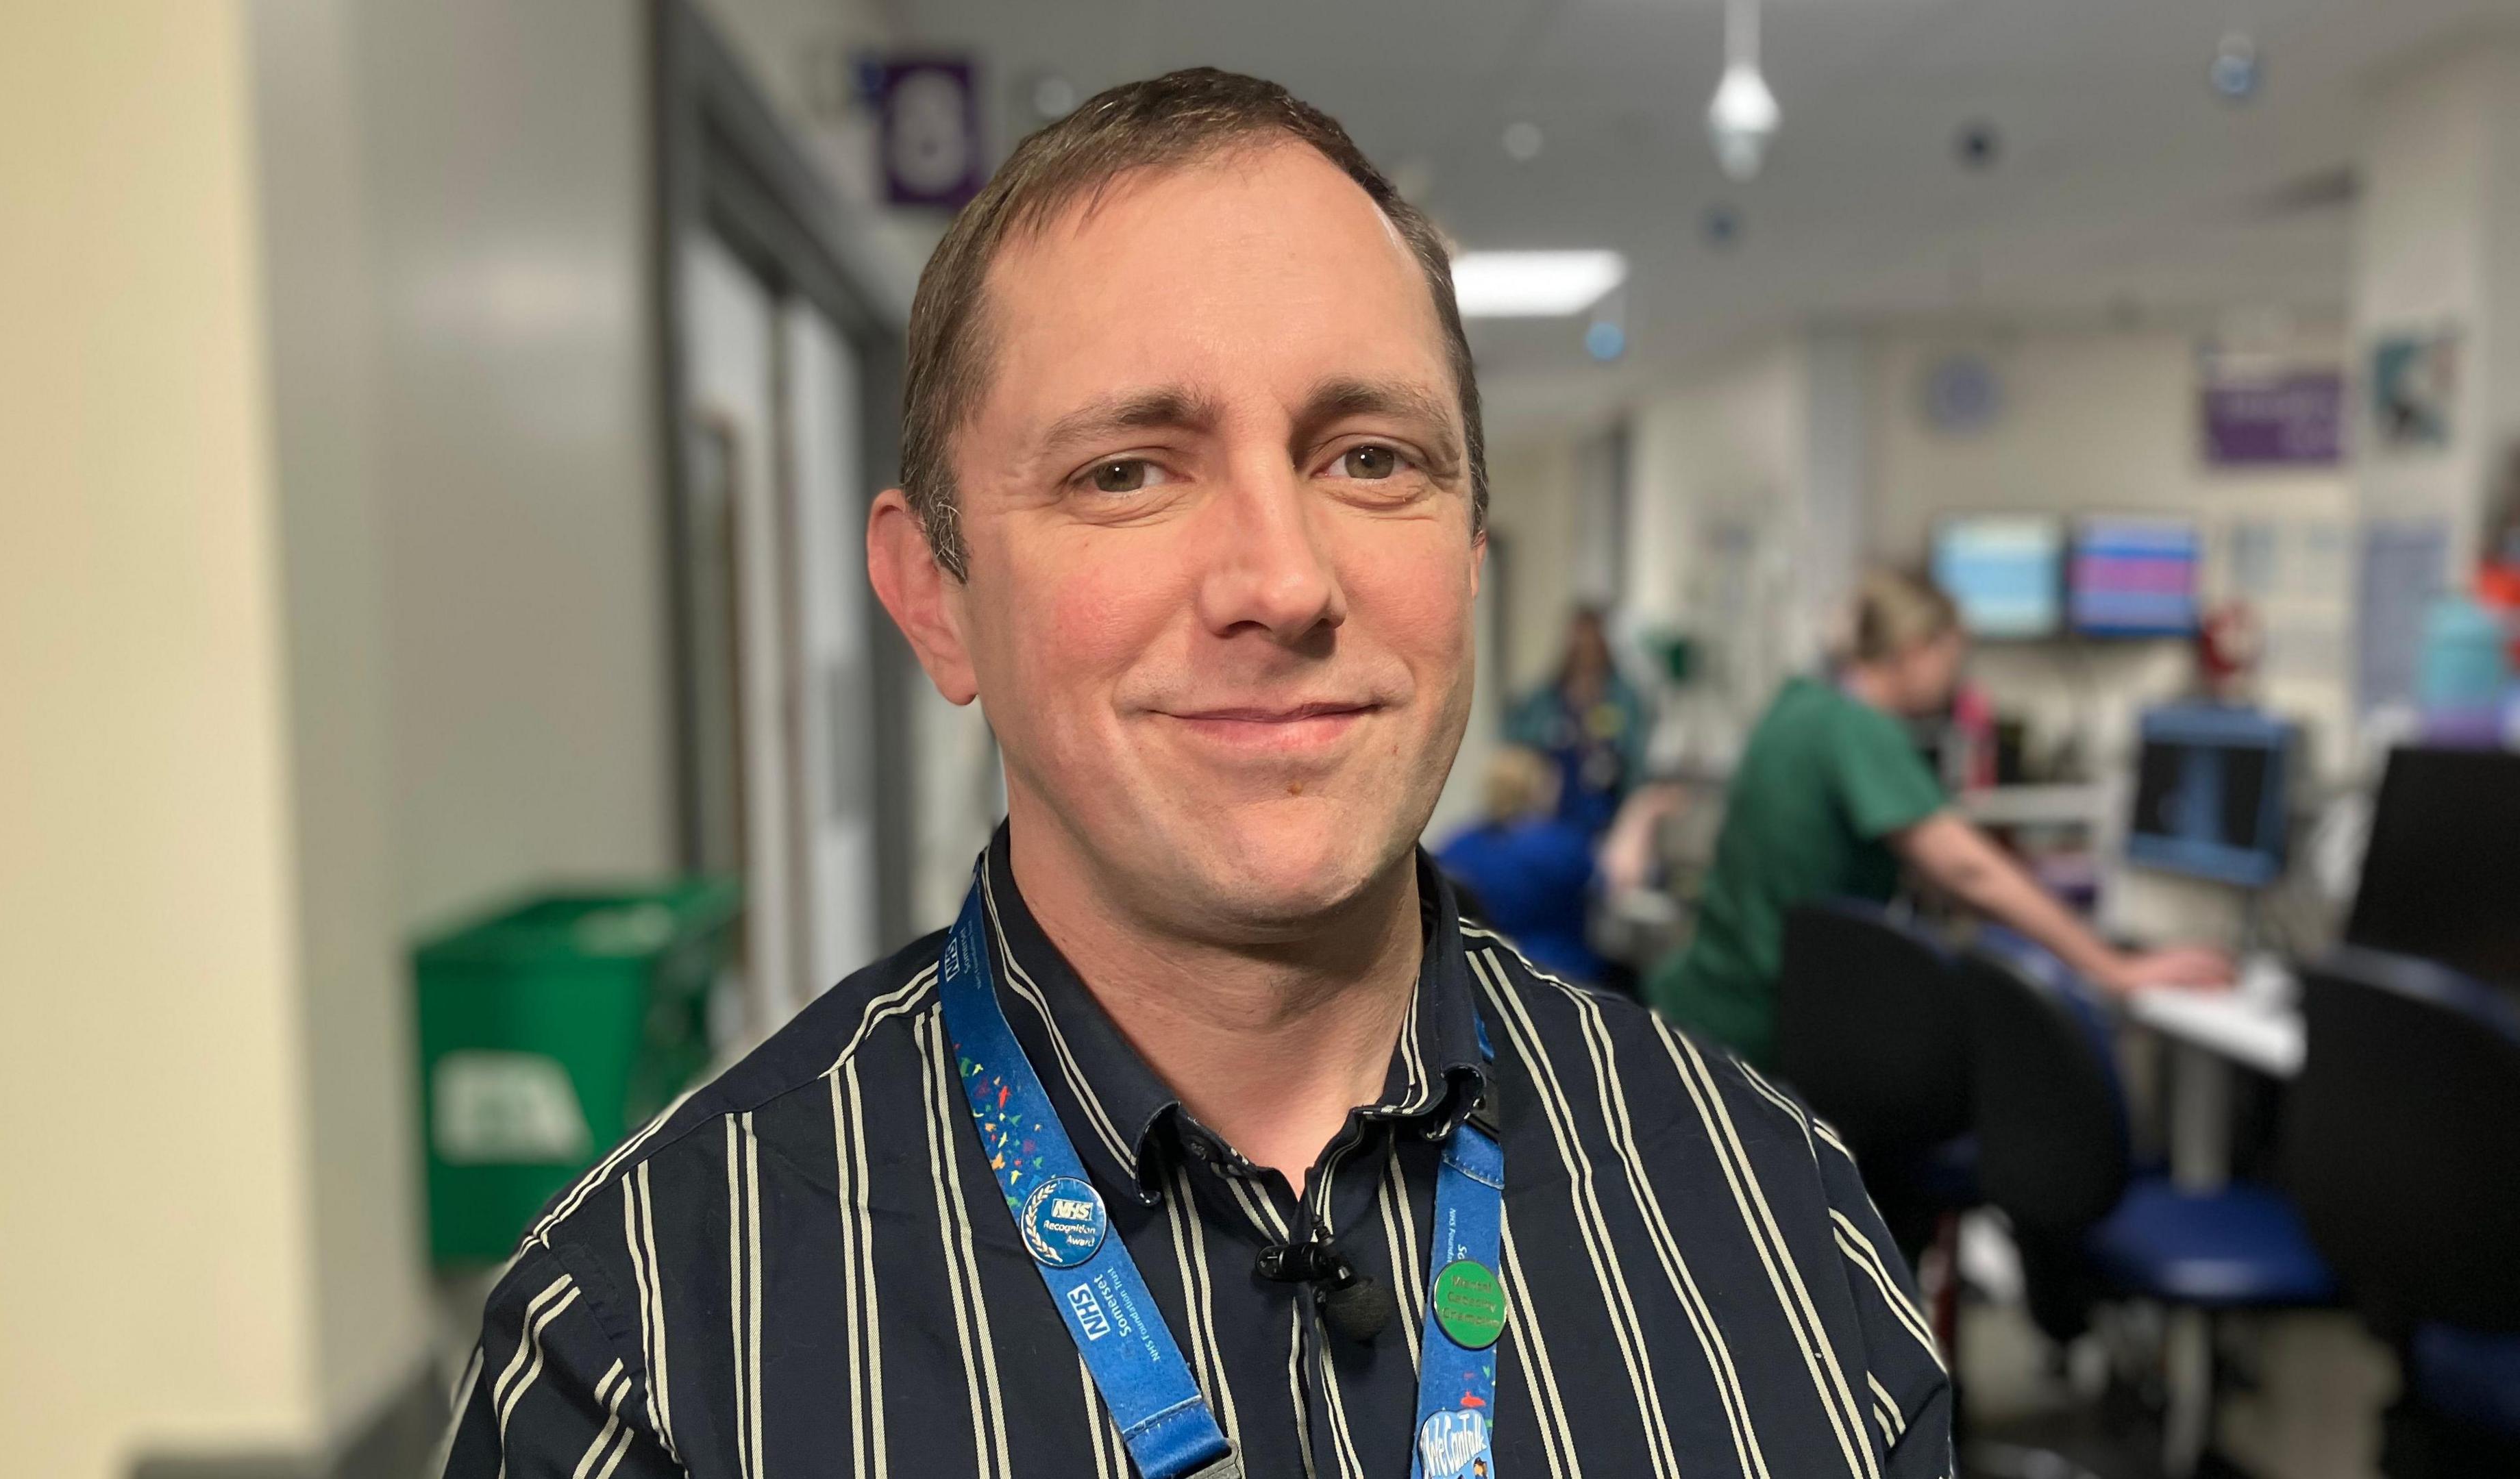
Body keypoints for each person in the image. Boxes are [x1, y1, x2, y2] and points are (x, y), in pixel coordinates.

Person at [441, 70, 1949, 1479]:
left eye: (1370, 458)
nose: (1283, 579)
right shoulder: (650, 1347)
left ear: (1470, 557)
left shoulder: (1782, 1230)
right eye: (1127, 471)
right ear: (933, 597)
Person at [1648, 568, 2234, 1069]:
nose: (1958, 679)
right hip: (1763, 1030)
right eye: (1953, 657)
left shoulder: (1797, 702)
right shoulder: (1859, 729)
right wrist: (2114, 966)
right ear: (1915, 649)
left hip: (1703, 1004)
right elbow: (1966, 867)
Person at [1433, 745, 1608, 984]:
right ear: (1535, 788)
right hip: (1562, 976)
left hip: (1481, 978)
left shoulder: (1457, 846)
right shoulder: (1562, 846)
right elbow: (1604, 888)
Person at [1503, 606, 1651, 835]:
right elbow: (1516, 737)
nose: (1585, 648)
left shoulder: (1622, 696)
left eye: (1592, 640)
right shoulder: (1548, 696)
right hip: (1552, 812)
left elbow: (1636, 755)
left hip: (1607, 812)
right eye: (1579, 640)